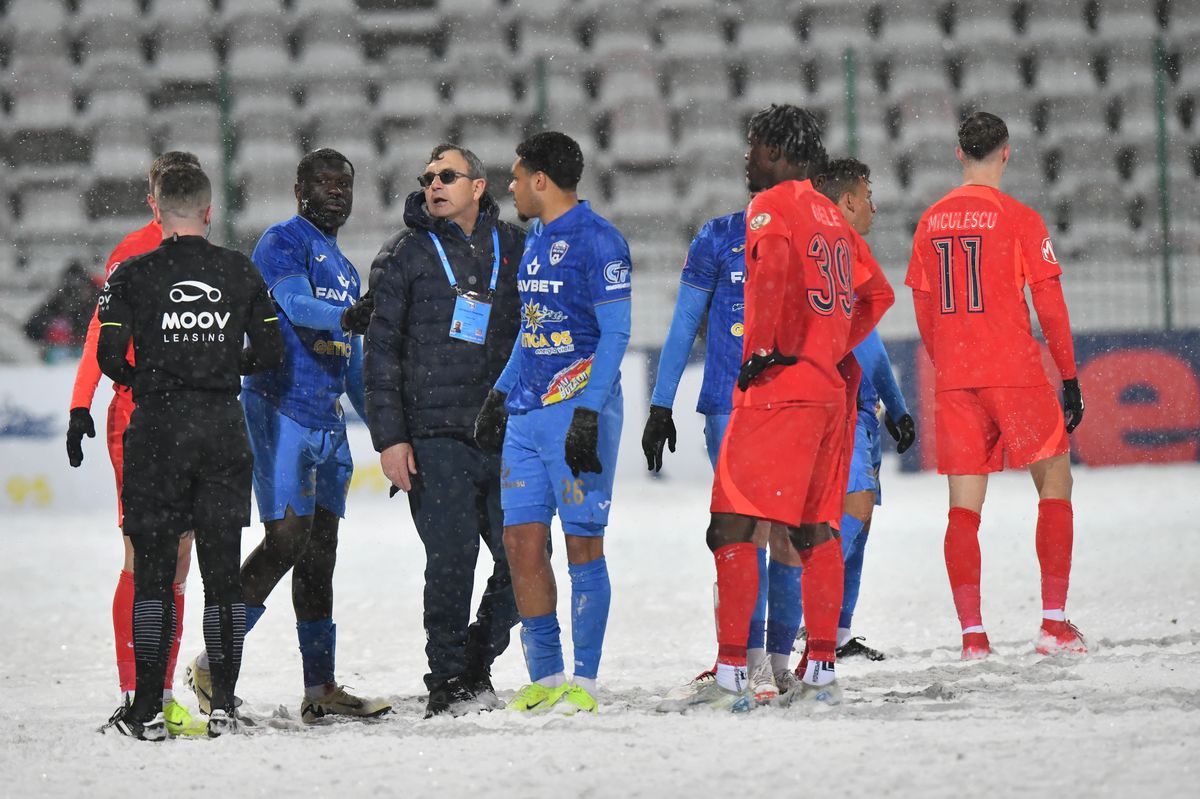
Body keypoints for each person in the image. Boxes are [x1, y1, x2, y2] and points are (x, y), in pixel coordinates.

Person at [668, 104, 894, 712]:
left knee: (731, 525)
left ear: (773, 149)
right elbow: (878, 293)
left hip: (780, 391)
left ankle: (731, 678)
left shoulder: (771, 204)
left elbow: (764, 275)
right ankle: (821, 673)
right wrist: (829, 345)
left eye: (752, 148)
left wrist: (765, 347)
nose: (747, 159)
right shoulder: (832, 213)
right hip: (828, 395)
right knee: (814, 530)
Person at [186, 148, 390, 723]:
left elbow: (351, 369)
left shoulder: (346, 270)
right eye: (324, 184)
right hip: (279, 409)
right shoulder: (281, 241)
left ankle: (320, 689)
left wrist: (387, 437)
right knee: (286, 541)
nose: (336, 193)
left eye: (344, 185)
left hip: (326, 421)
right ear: (299, 190)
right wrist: (344, 318)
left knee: (320, 553)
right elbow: (294, 304)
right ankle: (211, 663)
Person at [97, 163, 283, 739]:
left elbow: (108, 359)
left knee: (154, 574)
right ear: (209, 211)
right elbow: (272, 350)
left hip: (156, 430)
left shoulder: (131, 273)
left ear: (156, 208)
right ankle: (223, 707)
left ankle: (147, 709)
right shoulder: (240, 268)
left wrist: (155, 376)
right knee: (222, 573)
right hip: (222, 428)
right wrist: (221, 366)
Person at [906, 112, 1086, 660]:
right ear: (1007, 153)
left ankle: (973, 637)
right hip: (1014, 371)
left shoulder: (929, 221)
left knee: (963, 508)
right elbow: (1050, 309)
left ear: (959, 154)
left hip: (957, 377)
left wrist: (950, 362)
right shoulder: (1020, 219)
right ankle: (1053, 627)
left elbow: (922, 307)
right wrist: (1070, 376)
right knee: (1054, 481)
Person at [473, 131, 631, 715]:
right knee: (520, 542)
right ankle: (546, 677)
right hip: (526, 411)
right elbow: (532, 326)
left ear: (541, 180)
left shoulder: (600, 241)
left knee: (583, 543)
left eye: (516, 177)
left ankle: (584, 682)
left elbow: (615, 334)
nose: (510, 187)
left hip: (575, 412)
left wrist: (589, 411)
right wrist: (499, 393)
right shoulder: (536, 238)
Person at [365, 144, 524, 717]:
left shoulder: (514, 246)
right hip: (435, 435)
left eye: (447, 176)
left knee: (524, 556)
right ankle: (448, 679)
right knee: (452, 560)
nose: (434, 184)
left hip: (505, 433)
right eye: (427, 177)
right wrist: (390, 438)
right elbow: (379, 353)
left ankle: (476, 658)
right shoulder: (405, 254)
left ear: (478, 187)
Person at [640, 206, 808, 707]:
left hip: (794, 401)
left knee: (791, 532)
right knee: (746, 529)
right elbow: (685, 319)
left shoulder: (811, 230)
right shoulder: (717, 235)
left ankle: (779, 665)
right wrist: (660, 403)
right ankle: (747, 659)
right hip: (728, 404)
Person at [67, 151, 207, 737]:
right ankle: (134, 693)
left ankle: (162, 688)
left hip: (198, 417)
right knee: (145, 558)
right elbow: (101, 333)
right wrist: (82, 403)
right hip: (140, 418)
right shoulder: (130, 252)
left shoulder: (214, 261)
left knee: (179, 563)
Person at [813, 157, 916, 661]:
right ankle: (810, 623)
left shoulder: (848, 247)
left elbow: (865, 334)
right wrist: (897, 405)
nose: (874, 205)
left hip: (859, 404)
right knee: (848, 511)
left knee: (861, 517)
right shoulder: (829, 248)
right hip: (838, 404)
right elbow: (860, 337)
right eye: (867, 195)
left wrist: (890, 405)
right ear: (848, 200)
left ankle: (835, 630)